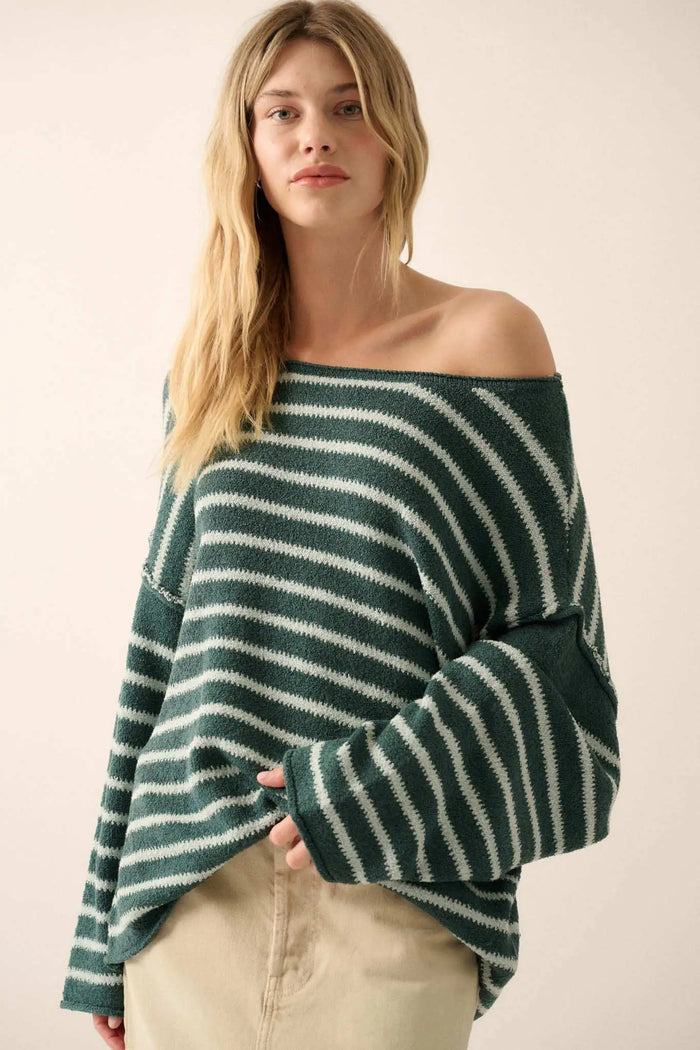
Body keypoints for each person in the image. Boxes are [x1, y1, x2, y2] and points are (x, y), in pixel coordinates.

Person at [59, 2, 621, 1048]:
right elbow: (163, 648)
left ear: (395, 132)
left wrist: (357, 791)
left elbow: (558, 656)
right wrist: (102, 926)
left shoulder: (485, 342)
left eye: (348, 106)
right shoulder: (211, 368)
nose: (315, 135)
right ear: (248, 146)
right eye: (282, 112)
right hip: (191, 895)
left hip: (397, 893)